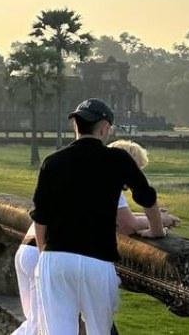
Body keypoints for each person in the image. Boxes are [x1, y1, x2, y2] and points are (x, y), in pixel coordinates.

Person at [12, 138, 180, 335]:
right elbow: (127, 224)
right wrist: (160, 221)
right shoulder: (109, 179)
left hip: (30, 250)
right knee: (38, 326)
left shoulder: (81, 175)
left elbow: (114, 215)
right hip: (49, 253)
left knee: (38, 323)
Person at [31, 98, 164, 335]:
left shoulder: (53, 162)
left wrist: (44, 256)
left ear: (76, 125)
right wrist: (157, 230)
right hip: (96, 259)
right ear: (104, 128)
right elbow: (147, 198)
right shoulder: (117, 159)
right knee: (99, 331)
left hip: (56, 257)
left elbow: (41, 216)